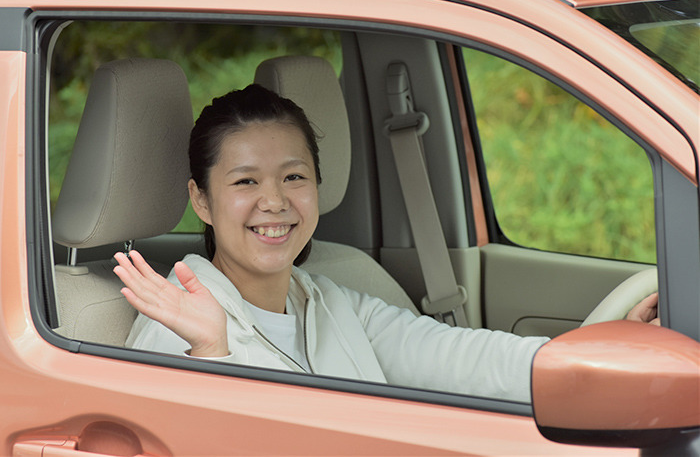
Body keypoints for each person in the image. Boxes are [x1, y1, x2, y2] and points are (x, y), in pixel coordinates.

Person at [114, 84, 659, 403]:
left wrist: (596, 356)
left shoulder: (327, 298)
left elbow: (463, 358)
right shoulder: (175, 323)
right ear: (202, 201)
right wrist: (214, 353)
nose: (275, 202)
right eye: (245, 182)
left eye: (294, 177)